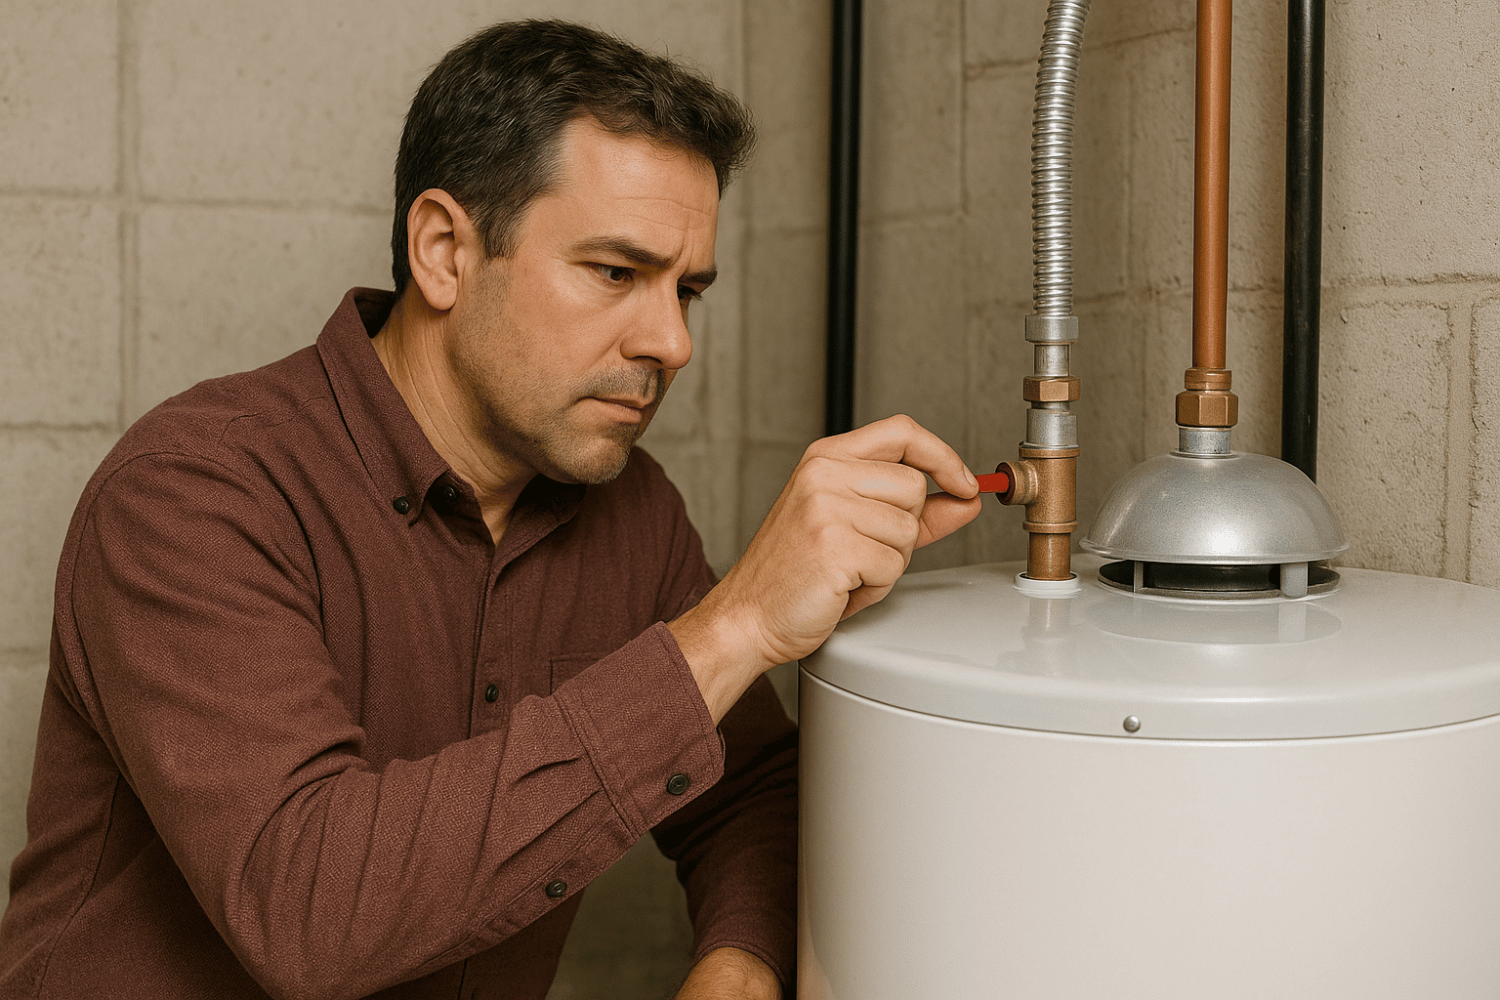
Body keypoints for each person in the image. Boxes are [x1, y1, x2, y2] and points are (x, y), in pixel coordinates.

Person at [0, 19, 981, 1000]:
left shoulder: (629, 513)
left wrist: (738, 966)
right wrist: (734, 628)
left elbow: (753, 794)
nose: (673, 342)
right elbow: (309, 909)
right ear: (443, 251)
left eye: (689, 290)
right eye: (616, 273)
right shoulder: (193, 492)